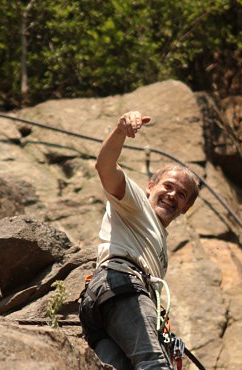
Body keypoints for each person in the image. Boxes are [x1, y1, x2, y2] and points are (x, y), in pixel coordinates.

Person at [79, 111, 200, 369]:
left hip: (106, 303)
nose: (172, 195)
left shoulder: (158, 242)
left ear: (185, 208)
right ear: (149, 186)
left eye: (181, 194)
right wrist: (120, 131)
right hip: (121, 286)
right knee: (154, 364)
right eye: (167, 186)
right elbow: (105, 167)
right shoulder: (135, 204)